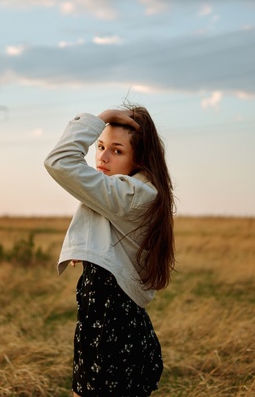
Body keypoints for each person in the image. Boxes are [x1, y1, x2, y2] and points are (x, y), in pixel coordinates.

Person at [44, 104, 175, 397]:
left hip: (111, 322)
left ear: (139, 158)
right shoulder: (136, 190)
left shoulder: (131, 195)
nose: (102, 157)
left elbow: (59, 161)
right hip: (108, 318)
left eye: (117, 150)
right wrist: (91, 249)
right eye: (100, 145)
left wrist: (101, 118)